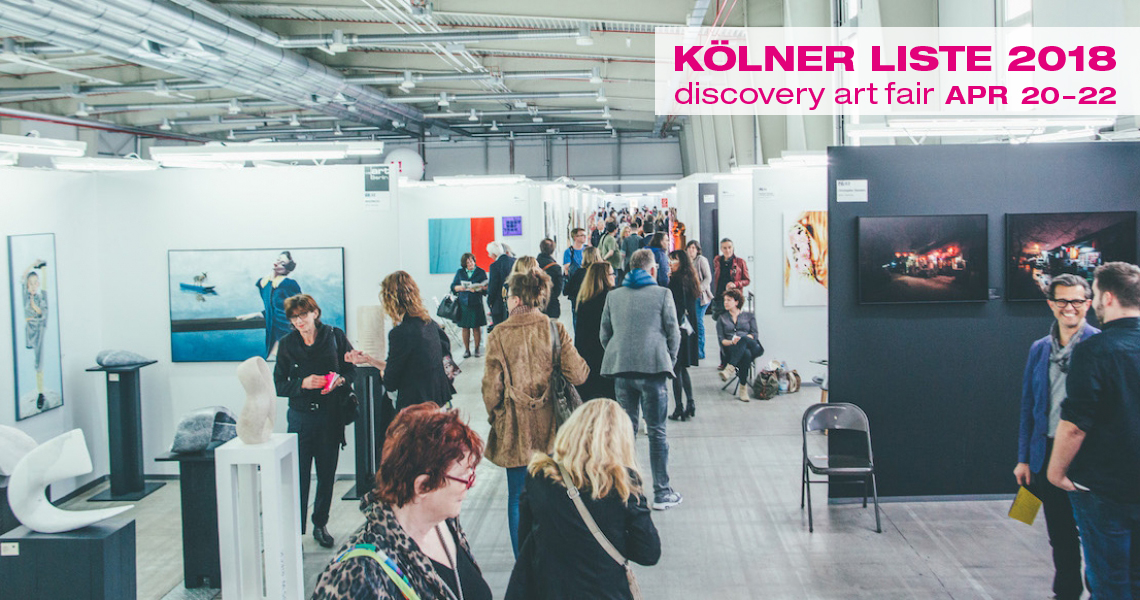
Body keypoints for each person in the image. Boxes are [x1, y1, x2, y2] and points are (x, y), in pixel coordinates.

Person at [311, 404, 491, 600]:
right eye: (465, 477)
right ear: (422, 486)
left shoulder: (444, 523)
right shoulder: (361, 575)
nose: (472, 484)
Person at [505, 398, 660, 600]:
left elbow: (526, 541)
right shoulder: (623, 483)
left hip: (550, 591)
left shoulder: (539, 476)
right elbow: (648, 553)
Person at [1047, 262, 1140, 599]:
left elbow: (1075, 424)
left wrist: (1056, 472)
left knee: (1109, 582)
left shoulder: (1095, 350)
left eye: (1094, 294)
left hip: (1104, 488)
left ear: (1108, 298)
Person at [482, 270, 589, 557]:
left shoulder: (499, 334)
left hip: (516, 431)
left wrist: (497, 417)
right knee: (557, 493)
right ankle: (555, 557)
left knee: (517, 498)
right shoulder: (555, 329)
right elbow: (578, 374)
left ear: (517, 299)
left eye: (507, 296)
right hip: (554, 428)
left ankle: (523, 561)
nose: (506, 301)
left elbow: (492, 389)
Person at [1016, 274, 1098, 600]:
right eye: (1062, 300)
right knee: (1060, 533)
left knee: (1093, 532)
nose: (1069, 307)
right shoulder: (1039, 349)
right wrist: (1023, 459)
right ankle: (1066, 591)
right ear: (1051, 304)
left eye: (1076, 301)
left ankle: (1099, 590)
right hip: (1046, 452)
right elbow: (1029, 407)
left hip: (1087, 453)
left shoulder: (1099, 345)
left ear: (1088, 304)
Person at [600, 248, 682, 510]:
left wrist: (621, 355)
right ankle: (662, 493)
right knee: (657, 432)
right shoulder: (662, 294)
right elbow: (674, 333)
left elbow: (605, 335)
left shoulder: (614, 296)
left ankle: (629, 494)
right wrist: (667, 359)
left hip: (622, 371)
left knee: (627, 433)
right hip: (653, 371)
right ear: (653, 269)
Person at [273, 293, 355, 548]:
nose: (299, 321)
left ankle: (320, 523)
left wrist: (340, 380)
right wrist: (302, 384)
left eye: (303, 315)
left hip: (330, 416)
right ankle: (295, 531)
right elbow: (279, 384)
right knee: (298, 476)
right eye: (294, 317)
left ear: (315, 313)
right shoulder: (287, 344)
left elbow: (351, 370)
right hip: (300, 419)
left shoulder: (334, 336)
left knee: (326, 474)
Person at [347, 271, 453, 412]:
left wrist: (383, 375)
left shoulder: (400, 333)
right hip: (438, 403)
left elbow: (391, 381)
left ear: (390, 300)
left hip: (416, 409)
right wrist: (370, 360)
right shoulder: (430, 324)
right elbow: (408, 367)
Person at [574, 262, 617, 401]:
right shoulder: (610, 299)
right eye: (611, 274)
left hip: (588, 360)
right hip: (607, 359)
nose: (614, 276)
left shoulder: (583, 300)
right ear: (603, 277)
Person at [667, 250, 700, 421]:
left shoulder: (676, 280)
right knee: (682, 368)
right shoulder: (691, 279)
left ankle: (679, 407)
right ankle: (690, 403)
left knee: (676, 369)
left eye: (674, 260)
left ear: (681, 262)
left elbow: (675, 306)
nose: (671, 263)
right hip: (689, 328)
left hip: (679, 329)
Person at [253, 251, 302, 359]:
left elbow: (298, 306)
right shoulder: (264, 283)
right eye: (278, 260)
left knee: (281, 357)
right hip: (273, 328)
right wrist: (261, 314)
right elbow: (272, 307)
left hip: (286, 327)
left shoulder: (288, 284)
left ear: (287, 269)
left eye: (283, 264)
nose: (278, 263)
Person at [717, 289, 763, 402]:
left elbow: (755, 334)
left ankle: (730, 368)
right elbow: (722, 340)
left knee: (744, 340)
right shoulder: (721, 318)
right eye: (724, 300)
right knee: (745, 355)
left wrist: (743, 339)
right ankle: (743, 389)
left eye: (729, 300)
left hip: (753, 346)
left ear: (736, 302)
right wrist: (732, 342)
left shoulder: (749, 316)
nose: (725, 302)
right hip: (733, 349)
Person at [20, 260, 49, 409]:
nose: (32, 286)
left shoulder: (39, 297)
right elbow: (22, 277)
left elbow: (41, 311)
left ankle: (40, 392)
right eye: (29, 284)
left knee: (39, 361)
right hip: (29, 328)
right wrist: (32, 264)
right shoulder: (25, 296)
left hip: (39, 327)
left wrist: (41, 268)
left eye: (35, 283)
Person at [450, 253, 487, 358]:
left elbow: (486, 287)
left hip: (476, 303)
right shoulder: (460, 272)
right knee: (465, 328)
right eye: (468, 262)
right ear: (464, 264)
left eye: (471, 261)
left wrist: (479, 289)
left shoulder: (481, 272)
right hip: (464, 303)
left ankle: (477, 349)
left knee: (476, 327)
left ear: (474, 261)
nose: (470, 264)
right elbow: (453, 286)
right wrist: (459, 288)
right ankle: (467, 350)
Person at [712, 238, 750, 323]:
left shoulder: (740, 262)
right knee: (720, 322)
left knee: (732, 322)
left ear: (733, 248)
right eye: (724, 248)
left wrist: (735, 284)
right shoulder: (717, 260)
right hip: (720, 296)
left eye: (729, 247)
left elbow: (747, 280)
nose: (727, 250)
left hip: (733, 297)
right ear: (721, 249)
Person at [687, 241, 714, 360]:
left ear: (697, 250)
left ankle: (700, 352)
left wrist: (699, 289)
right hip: (690, 296)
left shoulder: (701, 260)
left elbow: (708, 278)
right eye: (689, 247)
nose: (691, 250)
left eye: (694, 248)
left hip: (701, 297)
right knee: (691, 322)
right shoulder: (687, 261)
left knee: (698, 322)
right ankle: (692, 350)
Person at [564, 247, 603, 328]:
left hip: (580, 306)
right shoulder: (602, 273)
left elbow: (566, 290)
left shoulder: (579, 273)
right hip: (598, 307)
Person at [486, 241, 516, 329]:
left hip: (498, 305)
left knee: (500, 331)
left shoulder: (494, 266)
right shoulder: (515, 261)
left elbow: (493, 287)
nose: (489, 256)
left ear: (493, 254)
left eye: (489, 254)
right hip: (514, 302)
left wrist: (489, 302)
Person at [537, 238, 564, 319]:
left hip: (536, 305)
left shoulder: (534, 265)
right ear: (553, 250)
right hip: (551, 305)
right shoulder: (556, 268)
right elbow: (558, 289)